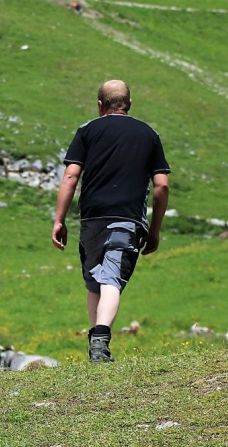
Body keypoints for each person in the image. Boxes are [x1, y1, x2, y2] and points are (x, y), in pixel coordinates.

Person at [51, 80, 170, 363]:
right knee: (112, 279)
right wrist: (154, 231)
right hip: (127, 218)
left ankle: (96, 347)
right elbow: (162, 186)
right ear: (129, 104)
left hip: (92, 216)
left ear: (100, 105)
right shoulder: (149, 134)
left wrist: (59, 220)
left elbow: (70, 176)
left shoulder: (87, 131)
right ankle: (100, 344)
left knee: (95, 280)